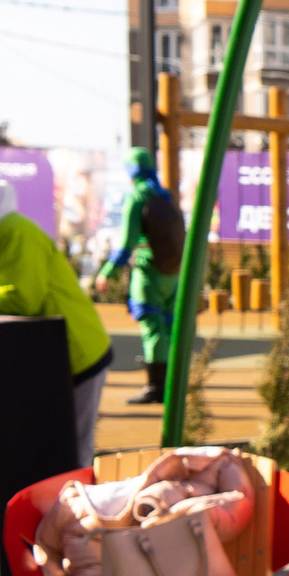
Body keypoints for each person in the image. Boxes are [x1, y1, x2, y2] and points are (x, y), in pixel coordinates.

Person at [0, 181, 110, 466]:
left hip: (77, 352)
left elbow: (19, 298)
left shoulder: (12, 233)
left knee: (74, 447)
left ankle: (78, 506)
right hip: (67, 352)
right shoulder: (5, 232)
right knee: (66, 444)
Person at [98, 150, 184, 405]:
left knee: (152, 330)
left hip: (148, 273)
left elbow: (127, 242)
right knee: (168, 329)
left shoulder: (137, 197)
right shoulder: (166, 196)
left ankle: (155, 387)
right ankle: (170, 385)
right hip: (172, 274)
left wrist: (107, 272)